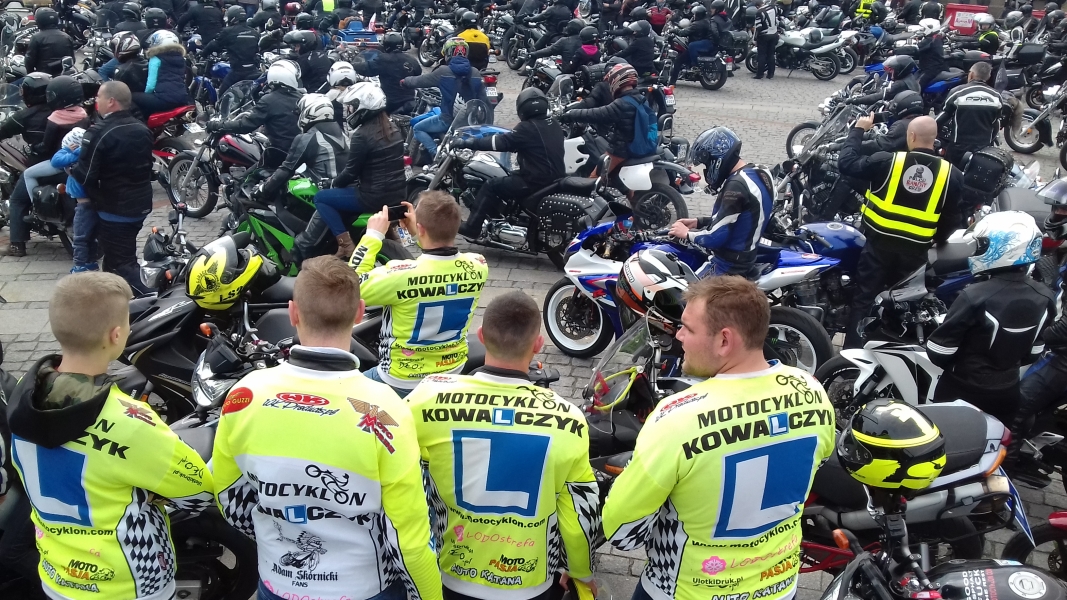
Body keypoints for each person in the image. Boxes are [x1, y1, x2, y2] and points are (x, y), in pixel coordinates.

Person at [210, 256, 444, 600]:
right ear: (359, 312)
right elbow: (408, 536)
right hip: (365, 588)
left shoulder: (244, 395)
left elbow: (228, 497)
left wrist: (276, 539)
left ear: (293, 313)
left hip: (278, 582)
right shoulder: (386, 409)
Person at [602, 274, 835, 600]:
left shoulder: (676, 417)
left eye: (688, 328)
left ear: (724, 340)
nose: (679, 335)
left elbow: (622, 531)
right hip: (779, 588)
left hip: (685, 591)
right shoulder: (810, 390)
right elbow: (817, 463)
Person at [8, 272, 214, 600]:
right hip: (129, 582)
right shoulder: (131, 420)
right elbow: (199, 493)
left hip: (57, 574)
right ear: (116, 334)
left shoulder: (24, 394)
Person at [407, 290, 601, 600]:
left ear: (481, 336)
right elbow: (579, 516)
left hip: (450, 575)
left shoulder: (425, 399)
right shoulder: (570, 420)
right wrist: (580, 570)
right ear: (538, 344)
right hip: (531, 583)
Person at [837, 114, 962, 349]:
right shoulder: (951, 174)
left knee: (864, 300)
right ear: (934, 139)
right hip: (916, 253)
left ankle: (853, 355)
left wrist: (858, 130)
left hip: (878, 247)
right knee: (904, 305)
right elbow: (953, 218)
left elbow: (846, 163)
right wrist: (934, 239)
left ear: (911, 136)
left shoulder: (888, 161)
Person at [348, 191, 488, 397]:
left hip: (400, 380)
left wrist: (372, 236)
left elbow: (349, 285)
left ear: (421, 228)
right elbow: (438, 259)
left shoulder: (399, 275)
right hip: (452, 370)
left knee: (344, 391)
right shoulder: (478, 265)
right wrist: (419, 234)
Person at [926, 211, 1056, 425]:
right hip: (1008, 391)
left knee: (947, 440)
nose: (978, 251)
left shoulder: (974, 295)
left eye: (983, 245)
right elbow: (1033, 353)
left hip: (963, 389)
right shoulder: (1045, 295)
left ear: (1005, 247)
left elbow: (939, 351)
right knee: (996, 443)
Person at [72, 82, 155, 295]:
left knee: (122, 263)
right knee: (114, 257)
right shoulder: (142, 128)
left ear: (111, 101)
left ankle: (153, 298)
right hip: (140, 204)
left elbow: (86, 176)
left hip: (115, 208)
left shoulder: (98, 132)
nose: (95, 101)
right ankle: (115, 300)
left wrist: (70, 167)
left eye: (98, 96)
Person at [308, 82, 405, 258]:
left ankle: (345, 245)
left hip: (373, 197)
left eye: (352, 107)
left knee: (321, 198)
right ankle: (393, 237)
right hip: (398, 195)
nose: (349, 111)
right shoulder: (393, 129)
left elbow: (351, 172)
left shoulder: (362, 135)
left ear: (364, 107)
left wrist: (333, 183)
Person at [456, 88, 565, 238]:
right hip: (555, 177)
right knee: (509, 175)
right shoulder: (553, 123)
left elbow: (498, 142)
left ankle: (472, 227)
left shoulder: (526, 128)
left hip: (535, 181)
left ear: (522, 108)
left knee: (491, 185)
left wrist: (468, 142)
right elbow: (535, 145)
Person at [667, 126, 774, 278]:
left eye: (706, 164)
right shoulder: (761, 171)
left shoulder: (736, 186)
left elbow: (715, 237)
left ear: (716, 159)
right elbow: (740, 218)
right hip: (747, 257)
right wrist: (698, 222)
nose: (706, 170)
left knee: (684, 291)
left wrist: (686, 234)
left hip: (729, 266)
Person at [402, 39, 491, 158]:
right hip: (469, 122)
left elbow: (420, 81)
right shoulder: (475, 72)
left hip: (447, 120)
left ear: (448, 53)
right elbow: (484, 100)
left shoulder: (443, 71)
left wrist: (405, 81)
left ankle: (436, 154)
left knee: (418, 128)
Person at [561, 63, 657, 174]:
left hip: (622, 150)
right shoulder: (641, 99)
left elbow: (596, 114)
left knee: (594, 177)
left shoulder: (622, 103)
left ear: (616, 81)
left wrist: (570, 114)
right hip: (639, 145)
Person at [207, 60, 302, 168]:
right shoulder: (301, 98)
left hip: (278, 154)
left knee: (247, 177)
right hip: (299, 153)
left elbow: (244, 126)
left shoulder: (269, 100)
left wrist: (218, 125)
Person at [936, 61, 1002, 168]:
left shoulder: (957, 92)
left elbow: (941, 118)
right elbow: (996, 124)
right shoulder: (996, 96)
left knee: (951, 173)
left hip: (958, 147)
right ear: (988, 77)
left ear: (971, 74)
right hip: (984, 147)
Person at [50, 128, 94, 273]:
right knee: (92, 235)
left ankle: (80, 265)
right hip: (92, 202)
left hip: (83, 204)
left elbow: (56, 161)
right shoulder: (90, 152)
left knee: (80, 236)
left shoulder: (77, 155)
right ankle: (91, 262)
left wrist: (70, 150)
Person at [355, 31, 422, 114]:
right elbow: (418, 73)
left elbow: (367, 69)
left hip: (390, 103)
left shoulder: (383, 59)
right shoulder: (411, 59)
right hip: (410, 101)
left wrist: (353, 64)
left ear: (387, 45)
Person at [132, 30, 191, 117]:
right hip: (182, 98)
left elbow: (151, 85)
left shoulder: (156, 59)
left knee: (132, 97)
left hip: (163, 100)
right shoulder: (181, 58)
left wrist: (145, 94)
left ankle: (141, 122)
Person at [203, 5, 261, 93]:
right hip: (253, 70)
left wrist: (203, 53)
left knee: (222, 94)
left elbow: (215, 44)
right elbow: (256, 50)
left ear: (232, 17)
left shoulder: (228, 31)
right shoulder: (254, 32)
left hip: (238, 72)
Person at [670, 5, 718, 83]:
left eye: (695, 14)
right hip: (706, 42)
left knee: (678, 61)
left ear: (698, 15)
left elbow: (683, 32)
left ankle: (672, 82)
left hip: (703, 43)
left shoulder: (697, 24)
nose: (693, 16)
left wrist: (674, 30)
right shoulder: (706, 21)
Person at [523, 18, 590, 74]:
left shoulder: (564, 41)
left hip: (567, 73)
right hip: (583, 74)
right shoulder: (587, 42)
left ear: (570, 29)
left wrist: (533, 54)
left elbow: (549, 51)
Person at [24, 7, 75, 77]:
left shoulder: (36, 37)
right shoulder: (67, 37)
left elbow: (29, 61)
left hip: (43, 76)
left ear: (39, 21)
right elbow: (72, 59)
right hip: (63, 76)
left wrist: (31, 76)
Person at [916, 18, 947, 91]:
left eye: (923, 28)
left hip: (931, 69)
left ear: (930, 29)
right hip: (930, 66)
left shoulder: (931, 40)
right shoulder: (934, 37)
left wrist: (896, 51)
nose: (921, 30)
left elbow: (917, 48)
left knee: (917, 86)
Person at [753, 0, 778, 79]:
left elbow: (759, 27)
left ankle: (760, 74)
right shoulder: (773, 8)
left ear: (757, 6)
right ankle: (770, 74)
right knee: (771, 54)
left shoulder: (759, 12)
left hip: (764, 36)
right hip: (774, 34)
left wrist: (755, 39)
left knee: (762, 55)